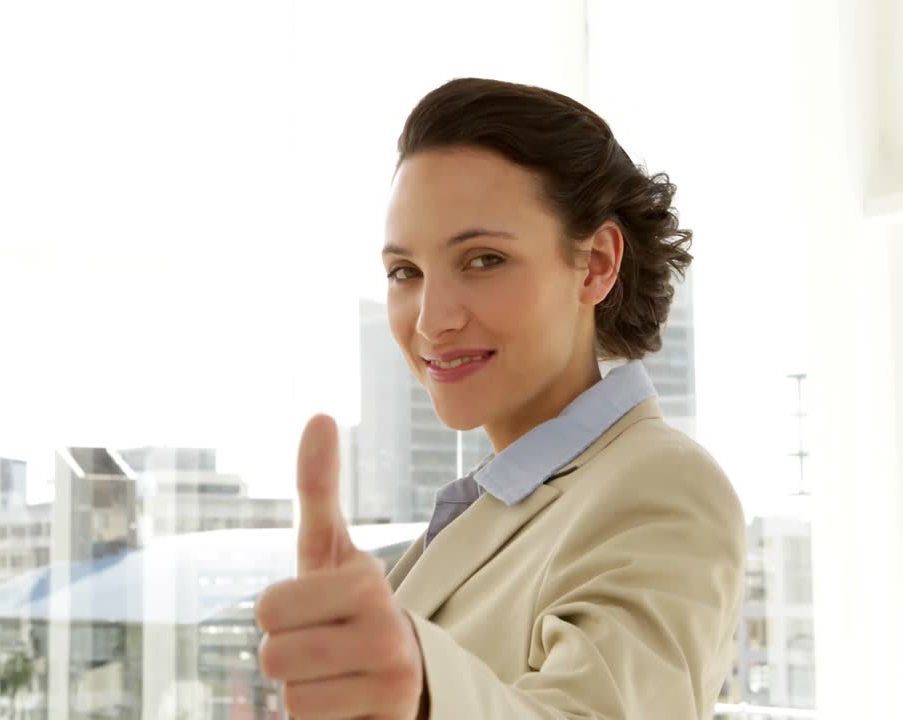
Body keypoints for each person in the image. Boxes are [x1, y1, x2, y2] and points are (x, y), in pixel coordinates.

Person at [254, 78, 746, 719]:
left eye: (484, 259)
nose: (431, 320)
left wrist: (423, 691)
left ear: (596, 263)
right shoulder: (483, 510)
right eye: (405, 272)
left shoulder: (663, 486)